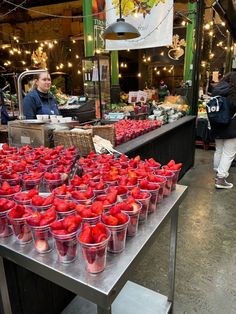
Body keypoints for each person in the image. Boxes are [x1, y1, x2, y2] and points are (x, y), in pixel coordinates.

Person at [210, 72, 236, 189]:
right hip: (232, 126)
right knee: (229, 153)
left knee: (219, 150)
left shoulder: (216, 91)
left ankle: (218, 173)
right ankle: (220, 179)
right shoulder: (234, 93)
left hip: (217, 125)